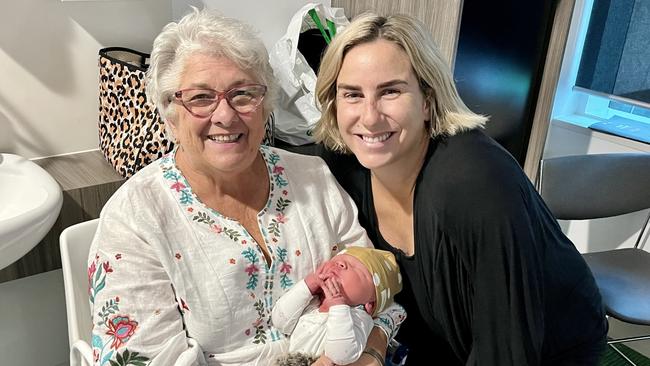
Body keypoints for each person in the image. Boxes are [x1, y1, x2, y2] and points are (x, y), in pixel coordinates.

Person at [87, 8, 404, 366]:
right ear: (170, 116)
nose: (225, 115)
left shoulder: (312, 177)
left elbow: (384, 294)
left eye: (243, 94)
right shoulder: (135, 220)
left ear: (265, 105)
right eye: (200, 98)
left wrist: (372, 354)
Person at [312, 12, 608, 366]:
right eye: (352, 95)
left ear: (427, 99)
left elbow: (508, 347)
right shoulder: (344, 163)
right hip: (452, 334)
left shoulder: (474, 180)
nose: (370, 117)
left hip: (549, 344)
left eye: (390, 91)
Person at [272, 247, 403, 366]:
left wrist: (338, 306)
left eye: (357, 269)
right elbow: (280, 321)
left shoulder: (358, 318)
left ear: (370, 304)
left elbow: (341, 355)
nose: (341, 263)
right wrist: (306, 286)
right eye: (337, 260)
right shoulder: (312, 303)